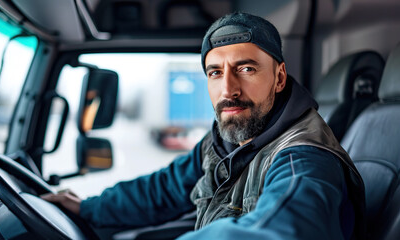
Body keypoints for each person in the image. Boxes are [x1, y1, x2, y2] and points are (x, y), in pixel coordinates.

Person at [43, 12, 365, 239]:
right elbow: (162, 190)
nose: (228, 89)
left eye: (246, 68)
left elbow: (280, 231)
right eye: (215, 73)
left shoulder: (303, 160)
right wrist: (87, 208)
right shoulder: (228, 143)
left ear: (279, 77)